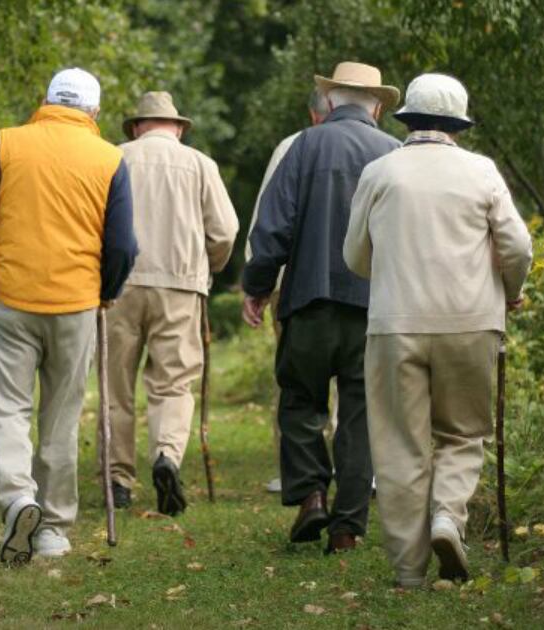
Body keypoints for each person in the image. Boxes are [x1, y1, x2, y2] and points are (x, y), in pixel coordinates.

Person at [343, 73, 533, 587]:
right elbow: (517, 246)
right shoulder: (482, 171)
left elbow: (355, 257)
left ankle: (408, 569)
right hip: (471, 322)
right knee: (462, 434)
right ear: (458, 124)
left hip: (394, 325)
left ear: (406, 117)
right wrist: (510, 288)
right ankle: (448, 516)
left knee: (401, 443)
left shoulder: (380, 172)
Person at [0, 68, 139, 565]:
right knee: (60, 413)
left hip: (9, 295)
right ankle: (54, 529)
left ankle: (18, 497)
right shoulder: (109, 158)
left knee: (8, 407)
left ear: (45, 100)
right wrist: (106, 290)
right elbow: (123, 244)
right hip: (75, 302)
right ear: (95, 113)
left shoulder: (7, 143)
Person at [242, 62, 401, 554]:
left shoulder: (303, 146)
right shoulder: (395, 154)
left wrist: (258, 285)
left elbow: (273, 227)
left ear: (329, 102)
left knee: (300, 402)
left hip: (308, 299)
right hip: (371, 309)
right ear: (376, 105)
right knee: (360, 414)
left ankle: (311, 496)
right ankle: (347, 528)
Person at [105, 91, 239, 515]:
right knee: (174, 383)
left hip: (119, 287)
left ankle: (118, 480)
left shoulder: (113, 158)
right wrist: (206, 270)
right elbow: (226, 231)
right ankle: (166, 455)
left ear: (136, 126)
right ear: (178, 127)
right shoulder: (200, 164)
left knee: (115, 386)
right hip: (180, 287)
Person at [245, 89, 336, 495]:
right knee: (356, 383)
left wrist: (259, 285)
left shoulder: (293, 146)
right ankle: (354, 474)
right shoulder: (384, 147)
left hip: (296, 287)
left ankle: (298, 474)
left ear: (314, 114)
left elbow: (270, 216)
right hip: (362, 288)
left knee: (297, 383)